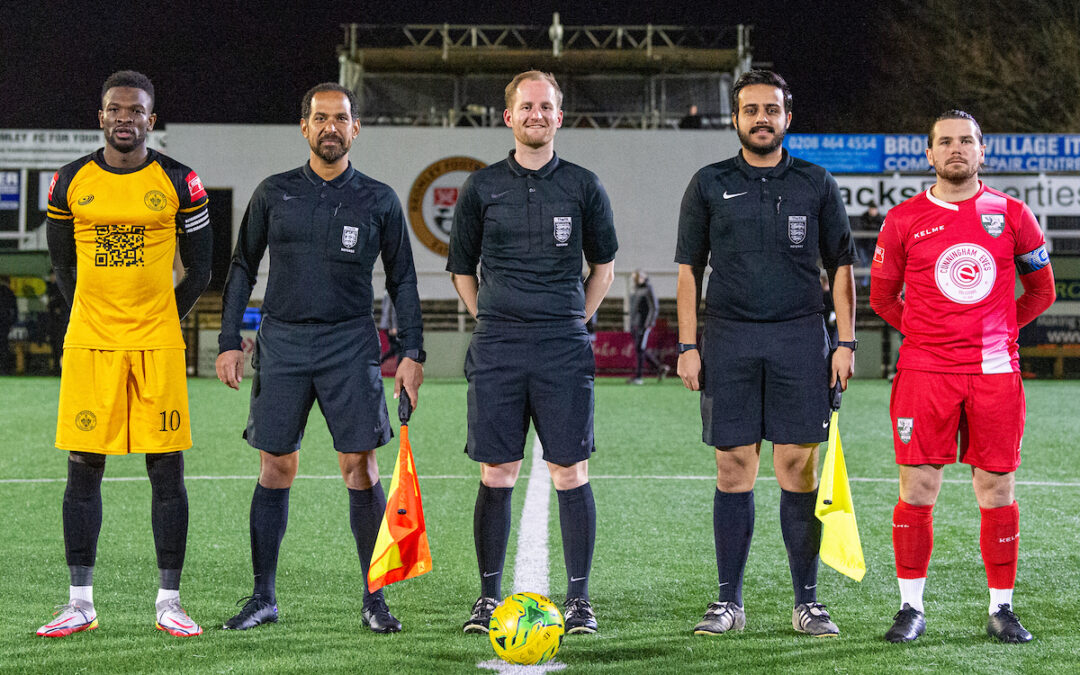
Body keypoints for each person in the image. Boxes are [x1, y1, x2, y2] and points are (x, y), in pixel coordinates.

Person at [215, 82, 424, 634]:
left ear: (356, 129)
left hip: (350, 345)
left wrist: (413, 352)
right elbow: (241, 267)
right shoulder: (273, 192)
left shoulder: (378, 199)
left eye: (341, 118)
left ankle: (374, 599)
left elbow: (403, 278)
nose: (331, 127)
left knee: (361, 468)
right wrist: (228, 339)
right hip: (281, 343)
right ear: (304, 127)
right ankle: (263, 598)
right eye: (320, 118)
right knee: (276, 465)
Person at [674, 69, 856, 637]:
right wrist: (687, 344)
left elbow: (843, 268)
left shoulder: (817, 183)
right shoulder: (708, 182)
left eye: (771, 110)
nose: (761, 118)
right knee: (734, 469)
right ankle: (728, 601)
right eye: (751, 109)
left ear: (787, 118)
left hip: (800, 337)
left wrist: (845, 341)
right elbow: (688, 271)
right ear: (735, 118)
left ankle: (807, 602)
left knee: (797, 467)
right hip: (728, 337)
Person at [38, 70, 213, 638]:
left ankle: (169, 602)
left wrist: (161, 314)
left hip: (157, 345)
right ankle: (80, 602)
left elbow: (202, 267)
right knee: (84, 468)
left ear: (150, 120)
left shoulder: (181, 182)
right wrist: (88, 315)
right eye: (115, 108)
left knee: (166, 469)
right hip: (91, 344)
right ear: (101, 116)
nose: (124, 118)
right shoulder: (68, 183)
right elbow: (62, 264)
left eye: (135, 110)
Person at [870, 110, 1056, 644]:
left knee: (997, 487)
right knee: (918, 488)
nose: (957, 149)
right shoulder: (903, 219)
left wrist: (997, 330)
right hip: (925, 372)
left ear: (982, 151)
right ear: (929, 154)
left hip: (995, 373)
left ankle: (1002, 608)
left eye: (966, 141)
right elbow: (883, 297)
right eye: (945, 142)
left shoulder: (1013, 214)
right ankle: (910, 608)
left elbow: (1041, 292)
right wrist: (931, 334)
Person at [447, 70, 617, 635]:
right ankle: (488, 598)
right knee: (498, 471)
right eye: (527, 106)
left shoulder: (585, 186)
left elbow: (604, 268)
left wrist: (573, 320)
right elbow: (461, 271)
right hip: (498, 345)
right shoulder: (481, 187)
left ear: (559, 117)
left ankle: (580, 600)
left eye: (546, 106)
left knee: (570, 470)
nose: (537, 115)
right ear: (509, 117)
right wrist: (492, 318)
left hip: (563, 345)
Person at [628, 269, 668, 384]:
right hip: (636, 324)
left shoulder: (648, 289)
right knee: (640, 349)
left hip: (644, 324)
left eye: (639, 277)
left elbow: (654, 307)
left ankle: (639, 377)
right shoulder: (635, 290)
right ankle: (660, 368)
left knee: (640, 348)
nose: (637, 279)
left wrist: (649, 323)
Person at [378, 290, 401, 365]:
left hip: (386, 325)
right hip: (390, 326)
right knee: (398, 348)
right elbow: (391, 311)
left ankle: (380, 361)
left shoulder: (386, 294)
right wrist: (393, 327)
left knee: (395, 349)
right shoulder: (392, 293)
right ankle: (380, 361)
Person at [0, 276, 15, 375]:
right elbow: (14, 311)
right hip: (5, 323)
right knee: (4, 347)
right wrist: (12, 323)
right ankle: (5, 369)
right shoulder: (10, 293)